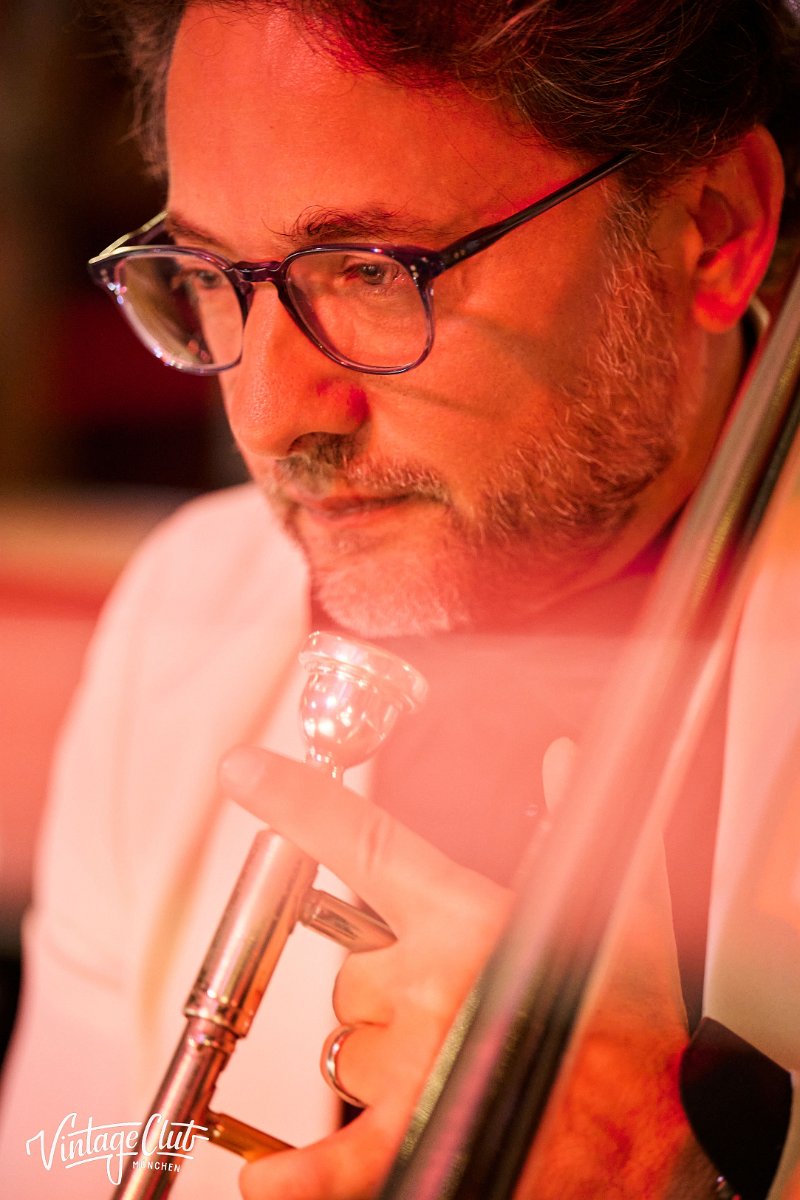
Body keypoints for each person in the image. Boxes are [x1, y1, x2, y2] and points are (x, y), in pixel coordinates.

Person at [1, 0, 799, 1196]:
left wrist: (659, 1178)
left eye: (372, 271)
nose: (268, 415)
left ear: (712, 228)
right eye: (209, 276)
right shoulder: (184, 612)